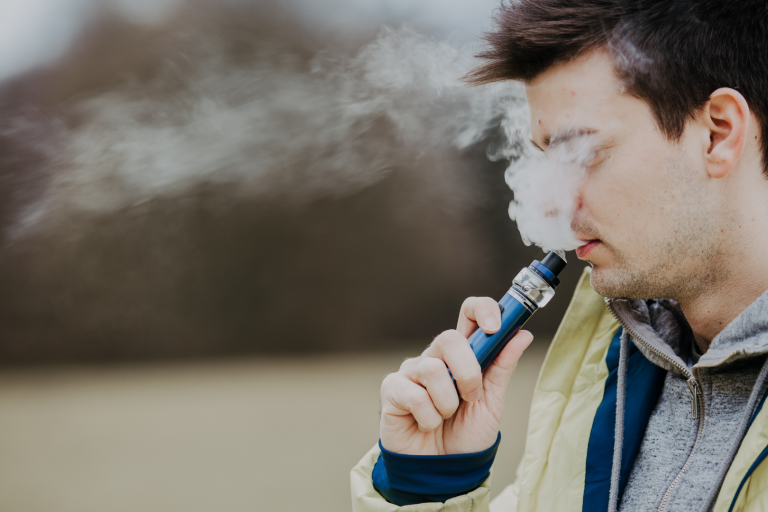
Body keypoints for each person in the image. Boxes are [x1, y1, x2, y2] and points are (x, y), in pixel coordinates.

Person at [350, 1, 768, 511]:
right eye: (548, 158)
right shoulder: (598, 380)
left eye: (582, 151)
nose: (549, 203)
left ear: (718, 133)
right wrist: (433, 482)